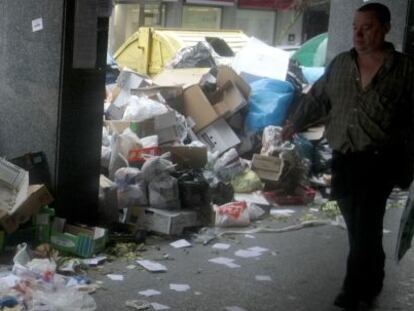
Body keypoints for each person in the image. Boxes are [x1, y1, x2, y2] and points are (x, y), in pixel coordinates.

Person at [282, 2, 414, 310]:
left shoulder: (405, 70)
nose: (358, 33)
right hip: (344, 157)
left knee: (366, 222)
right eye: (355, 26)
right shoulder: (341, 63)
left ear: (385, 28)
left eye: (366, 27)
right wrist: (293, 124)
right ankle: (374, 270)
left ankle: (355, 290)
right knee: (357, 225)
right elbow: (317, 98)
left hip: (380, 159)